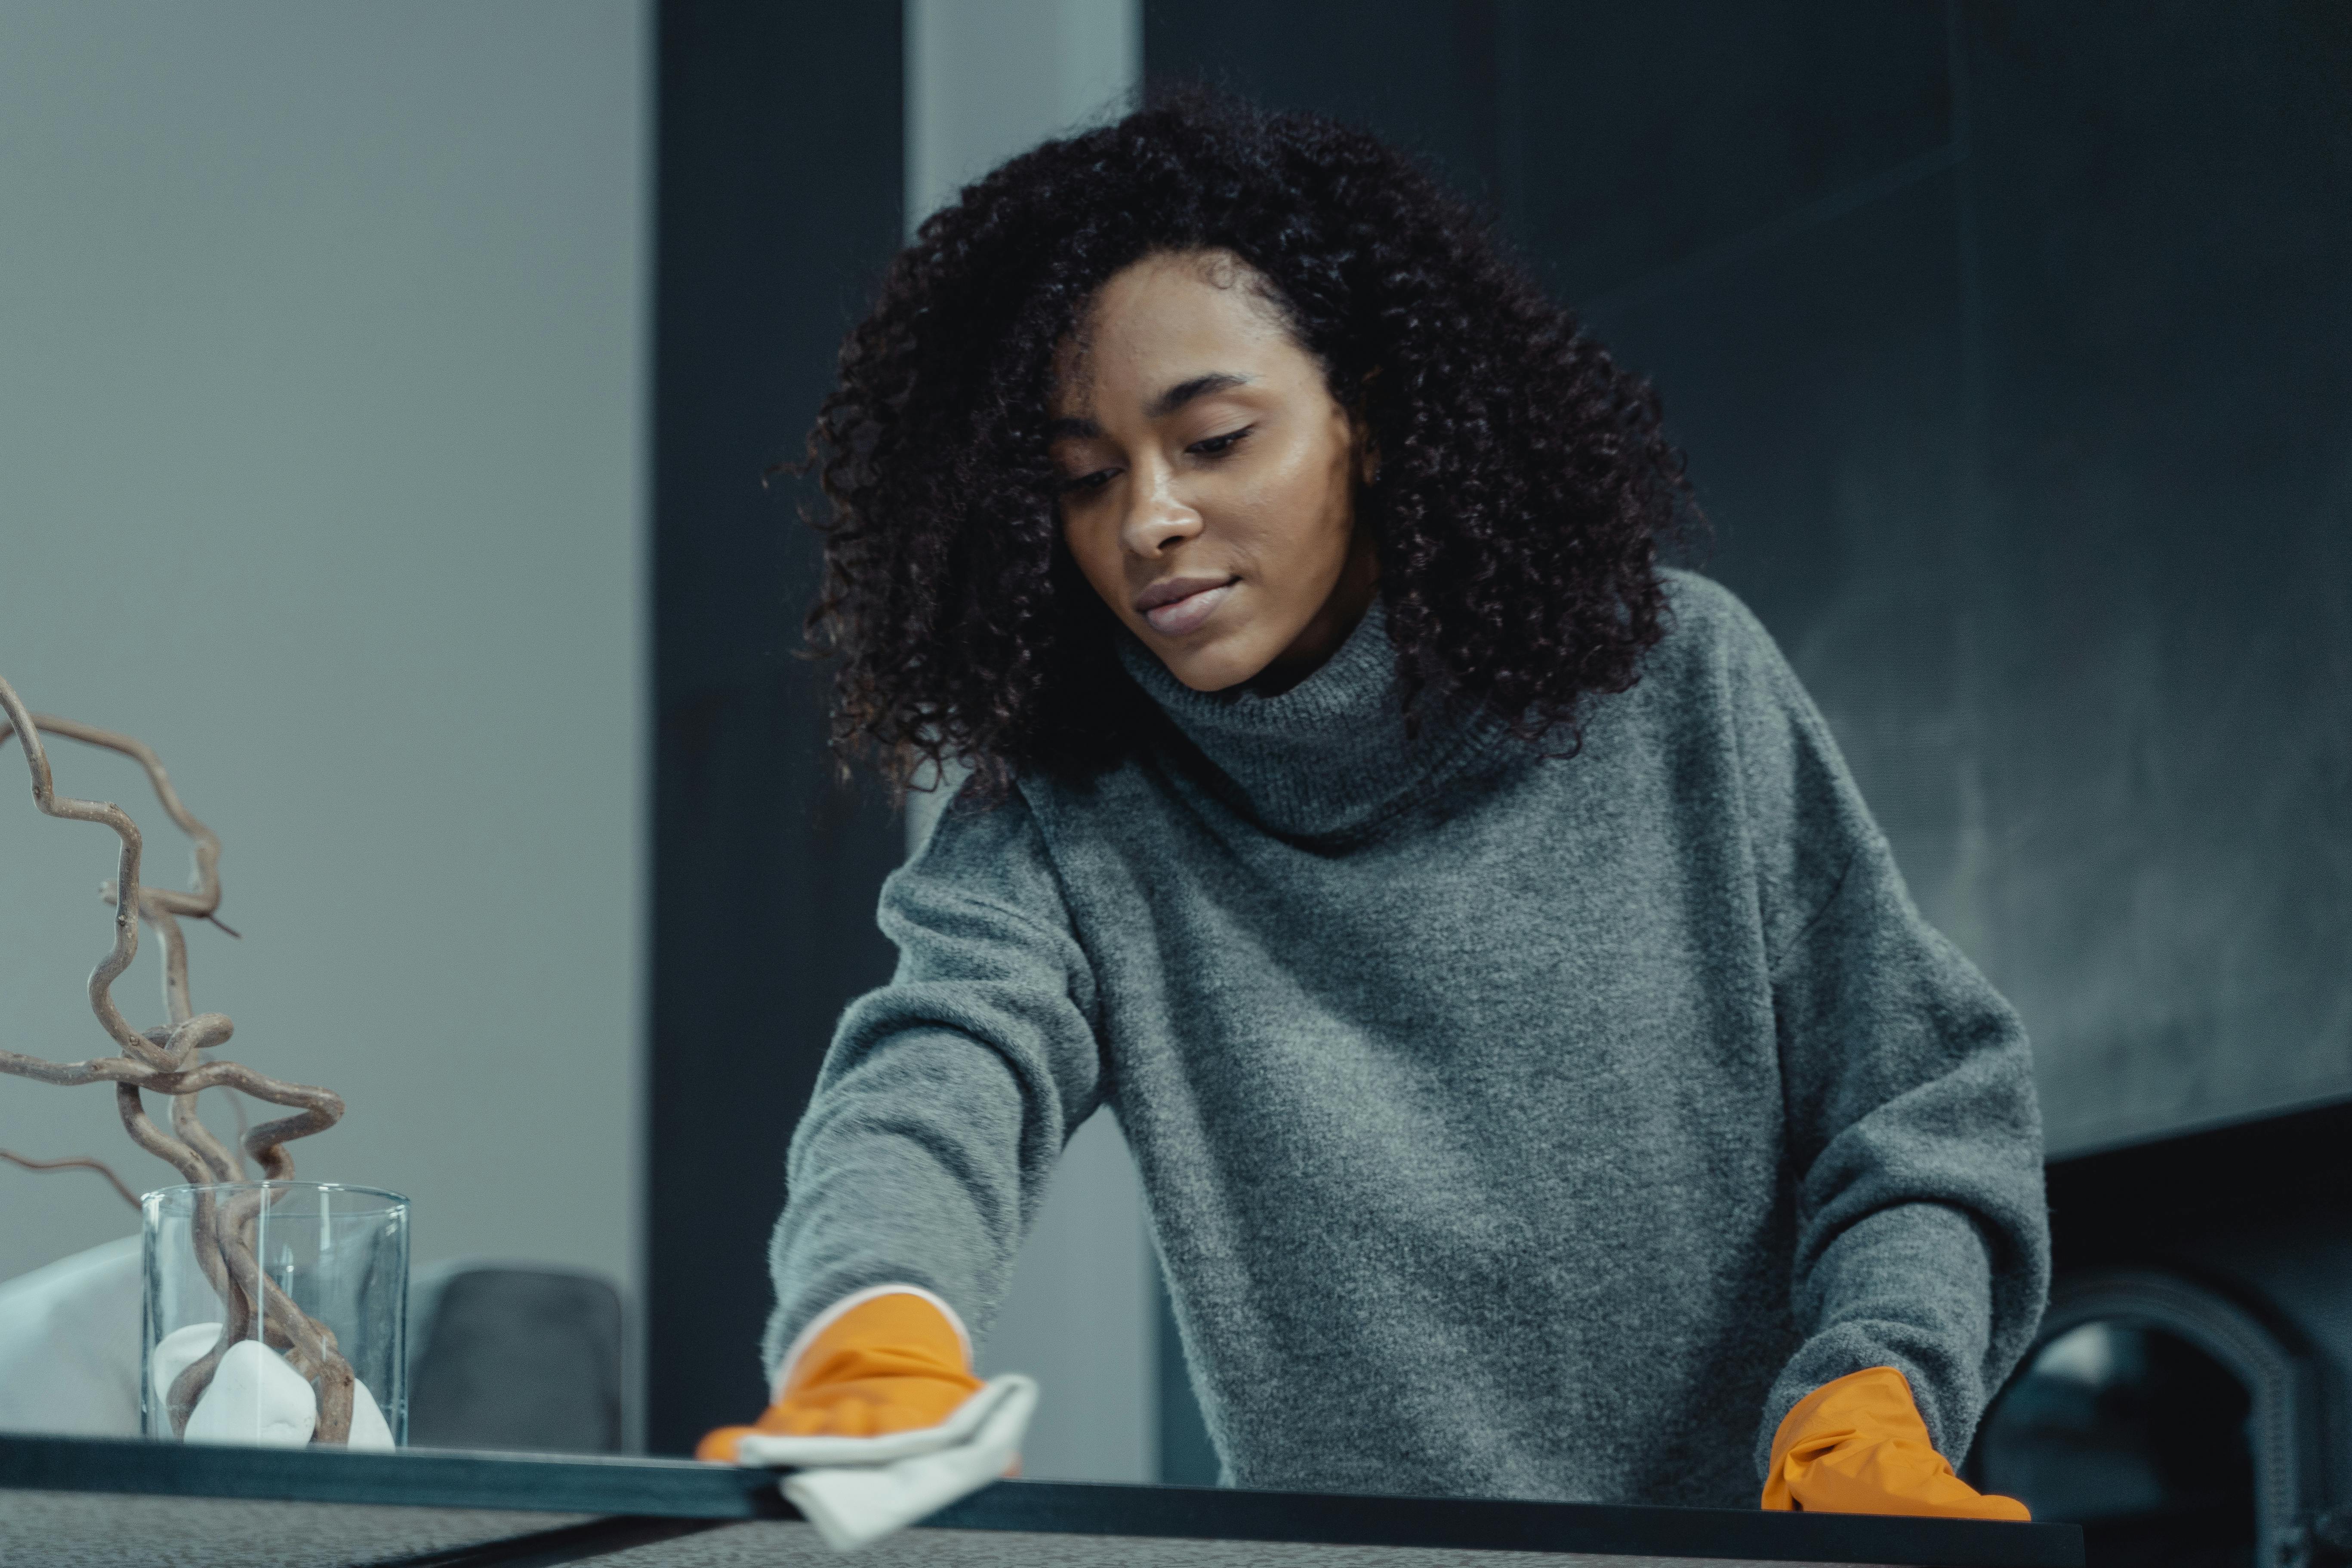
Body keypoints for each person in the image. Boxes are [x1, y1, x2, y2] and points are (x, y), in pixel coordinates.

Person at [698, 91, 2048, 1517]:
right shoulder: (1071, 810)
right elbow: (931, 1077)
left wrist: (1875, 1391)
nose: (1145, 518)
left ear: (1376, 420)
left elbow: (1920, 1104)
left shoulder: (1677, 679)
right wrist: (876, 1318)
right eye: (1083, 479)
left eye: (1212, 440)